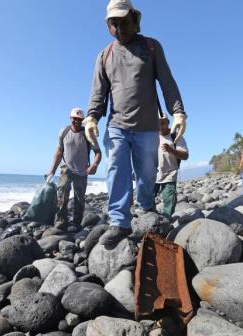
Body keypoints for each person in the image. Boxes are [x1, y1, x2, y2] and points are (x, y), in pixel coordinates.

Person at [83, 0, 186, 245]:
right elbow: (98, 93)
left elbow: (167, 82)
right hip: (116, 125)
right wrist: (91, 117)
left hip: (148, 126)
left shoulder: (151, 47)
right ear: (108, 25)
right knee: (116, 168)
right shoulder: (104, 55)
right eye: (113, 23)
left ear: (135, 20)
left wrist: (179, 111)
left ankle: (147, 208)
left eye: (124, 22)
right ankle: (119, 222)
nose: (119, 28)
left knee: (147, 173)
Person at [47, 107, 102, 229]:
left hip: (82, 171)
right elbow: (59, 151)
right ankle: (61, 220)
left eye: (80, 119)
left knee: (79, 198)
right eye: (75, 119)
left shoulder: (88, 133)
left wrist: (94, 165)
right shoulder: (64, 131)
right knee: (62, 192)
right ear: (70, 118)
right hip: (67, 168)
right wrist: (52, 170)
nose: (77, 121)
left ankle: (77, 223)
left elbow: (98, 152)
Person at [154, 115, 189, 217]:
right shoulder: (151, 136)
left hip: (170, 174)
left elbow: (185, 156)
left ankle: (166, 222)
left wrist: (171, 150)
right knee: (148, 202)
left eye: (163, 123)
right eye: (158, 123)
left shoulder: (176, 136)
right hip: (152, 175)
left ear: (168, 122)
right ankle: (152, 222)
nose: (160, 126)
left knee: (169, 202)